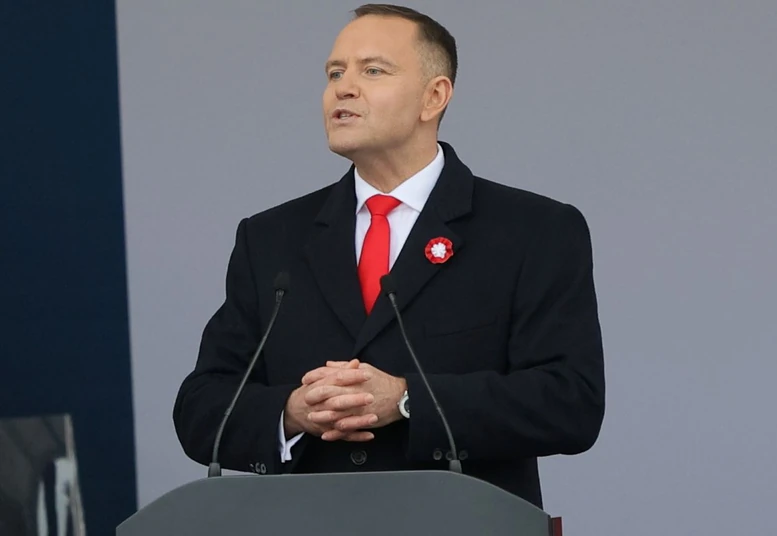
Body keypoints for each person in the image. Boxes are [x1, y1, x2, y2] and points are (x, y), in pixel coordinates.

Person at [173, 3, 605, 508]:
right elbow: (201, 408)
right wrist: (291, 412)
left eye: (373, 71)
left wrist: (407, 399)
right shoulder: (270, 238)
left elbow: (569, 402)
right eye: (335, 73)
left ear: (434, 96)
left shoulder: (533, 230)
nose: (343, 88)